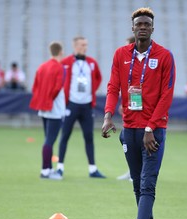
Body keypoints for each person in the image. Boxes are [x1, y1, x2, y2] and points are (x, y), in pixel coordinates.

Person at [102, 7, 176, 219]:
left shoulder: (165, 56)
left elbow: (167, 95)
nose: (142, 27)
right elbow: (113, 86)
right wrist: (107, 115)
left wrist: (150, 127)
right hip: (129, 130)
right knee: (137, 185)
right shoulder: (121, 54)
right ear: (132, 28)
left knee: (147, 185)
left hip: (153, 131)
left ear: (153, 28)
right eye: (138, 24)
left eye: (147, 24)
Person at [56, 36, 105, 179]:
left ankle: (93, 169)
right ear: (75, 46)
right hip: (71, 104)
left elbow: (98, 78)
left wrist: (91, 92)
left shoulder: (92, 63)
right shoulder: (65, 62)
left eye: (86, 44)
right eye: (83, 44)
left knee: (89, 137)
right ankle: (59, 168)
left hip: (87, 105)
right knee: (65, 135)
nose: (85, 47)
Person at [29, 42, 69, 180]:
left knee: (48, 139)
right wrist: (49, 100)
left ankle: (49, 168)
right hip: (54, 108)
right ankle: (45, 171)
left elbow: (35, 87)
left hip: (44, 107)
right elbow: (58, 87)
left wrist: (42, 101)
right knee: (50, 140)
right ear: (60, 52)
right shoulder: (60, 67)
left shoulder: (42, 66)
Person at [117, 35, 136, 181]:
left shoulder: (139, 64)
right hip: (130, 106)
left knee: (130, 139)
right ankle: (132, 171)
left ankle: (136, 172)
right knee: (125, 138)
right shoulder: (127, 62)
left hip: (138, 110)